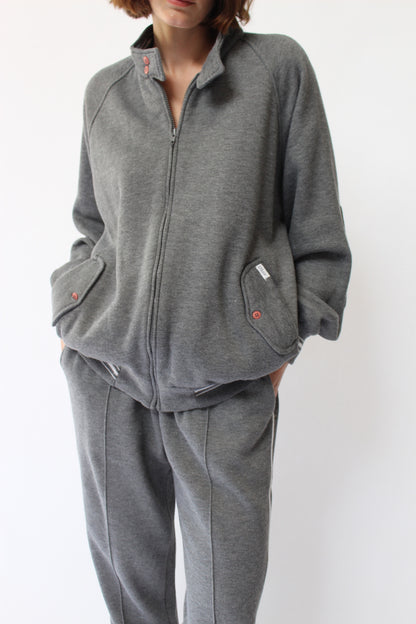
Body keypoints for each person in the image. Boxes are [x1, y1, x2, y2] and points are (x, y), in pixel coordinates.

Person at [50, 0, 352, 622]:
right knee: (133, 606)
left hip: (228, 388)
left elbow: (318, 231)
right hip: (108, 382)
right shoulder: (105, 92)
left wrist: (274, 350)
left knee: (224, 607)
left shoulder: (277, 71)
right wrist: (74, 318)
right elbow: (93, 225)